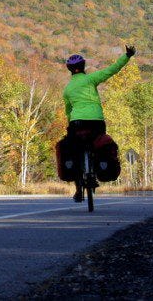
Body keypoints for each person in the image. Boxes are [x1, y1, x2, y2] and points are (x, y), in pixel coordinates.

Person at [62, 45, 135, 202]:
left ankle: (78, 189)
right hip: (96, 122)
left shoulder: (67, 89)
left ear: (69, 69)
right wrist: (127, 55)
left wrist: (71, 123)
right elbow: (112, 69)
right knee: (98, 144)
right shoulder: (91, 79)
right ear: (83, 67)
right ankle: (95, 170)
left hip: (77, 123)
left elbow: (68, 111)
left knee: (74, 152)